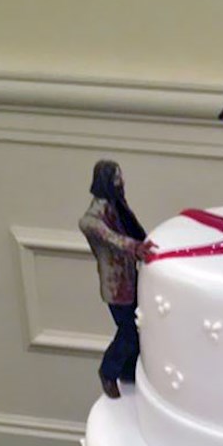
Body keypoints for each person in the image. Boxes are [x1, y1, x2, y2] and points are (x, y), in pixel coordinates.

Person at [79, 160, 151, 398]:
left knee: (138, 328)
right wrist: (136, 247)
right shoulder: (92, 219)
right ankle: (108, 371)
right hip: (116, 285)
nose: (122, 182)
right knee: (128, 331)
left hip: (131, 277)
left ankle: (128, 372)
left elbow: (131, 228)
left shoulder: (117, 204)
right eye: (117, 177)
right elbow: (111, 238)